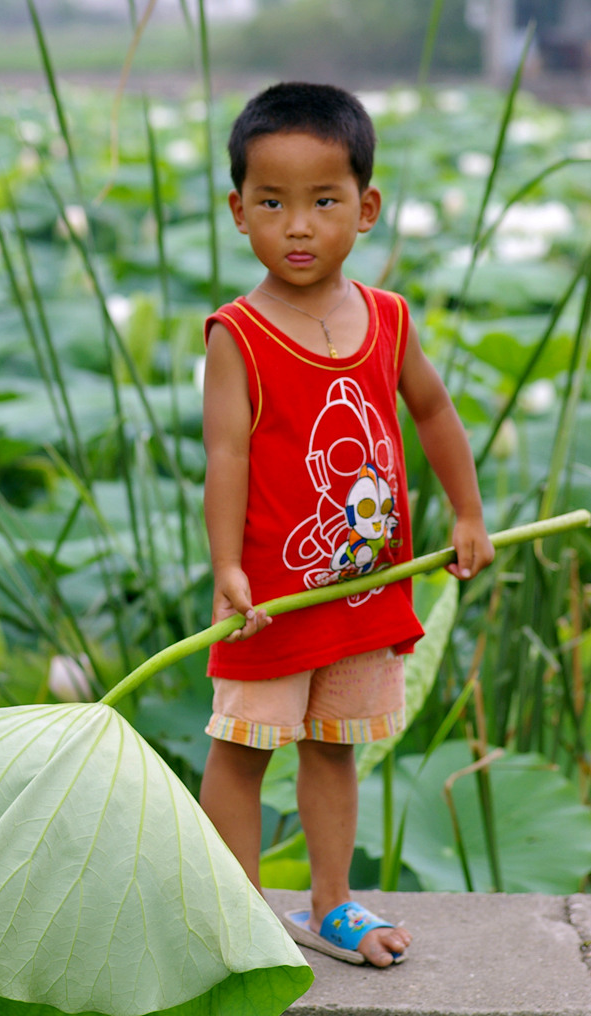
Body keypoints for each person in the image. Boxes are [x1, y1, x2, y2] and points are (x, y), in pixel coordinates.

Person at [199, 81, 494, 968]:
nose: (297, 225)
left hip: (366, 586)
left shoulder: (389, 317)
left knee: (333, 749)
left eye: (322, 202)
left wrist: (468, 513)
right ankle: (236, 916)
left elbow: (435, 414)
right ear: (237, 211)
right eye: (272, 203)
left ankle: (331, 904)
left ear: (364, 209)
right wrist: (226, 568)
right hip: (272, 595)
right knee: (243, 748)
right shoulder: (238, 335)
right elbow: (225, 460)